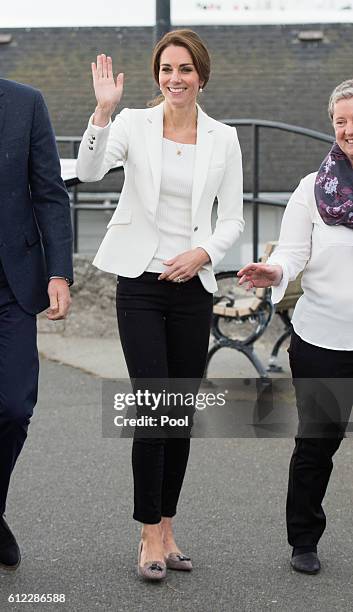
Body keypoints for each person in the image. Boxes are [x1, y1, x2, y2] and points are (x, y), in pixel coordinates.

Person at [76, 29, 243, 580]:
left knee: (180, 414)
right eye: (167, 68)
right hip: (141, 286)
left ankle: (168, 525)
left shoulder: (224, 138)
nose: (175, 78)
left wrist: (202, 252)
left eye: (186, 69)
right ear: (157, 75)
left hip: (192, 288)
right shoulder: (130, 124)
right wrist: (102, 113)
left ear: (202, 76)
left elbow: (234, 220)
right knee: (153, 405)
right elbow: (92, 171)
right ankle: (147, 532)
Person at [238, 79, 353, 575]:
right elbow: (291, 252)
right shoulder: (313, 189)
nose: (347, 129)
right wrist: (276, 272)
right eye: (340, 121)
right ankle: (303, 540)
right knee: (318, 443)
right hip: (323, 339)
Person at [0, 78, 73, 570]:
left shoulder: (26, 103)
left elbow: (49, 193)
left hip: (13, 283)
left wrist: (59, 272)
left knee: (12, 406)